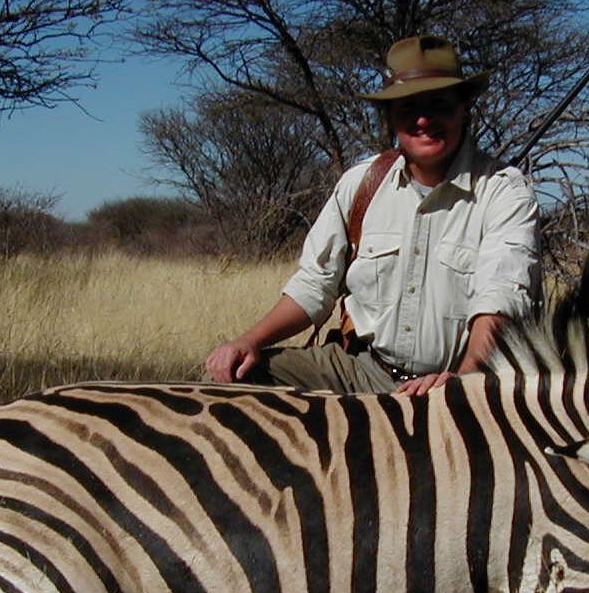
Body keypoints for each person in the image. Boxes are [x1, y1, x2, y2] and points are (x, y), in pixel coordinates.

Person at [205, 35, 541, 396]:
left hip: (453, 381)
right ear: (390, 117)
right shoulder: (362, 183)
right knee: (231, 379)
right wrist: (248, 340)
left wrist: (464, 380)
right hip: (362, 369)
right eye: (409, 108)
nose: (424, 119)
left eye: (439, 105)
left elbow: (500, 297)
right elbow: (315, 285)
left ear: (464, 110)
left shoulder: (505, 191)